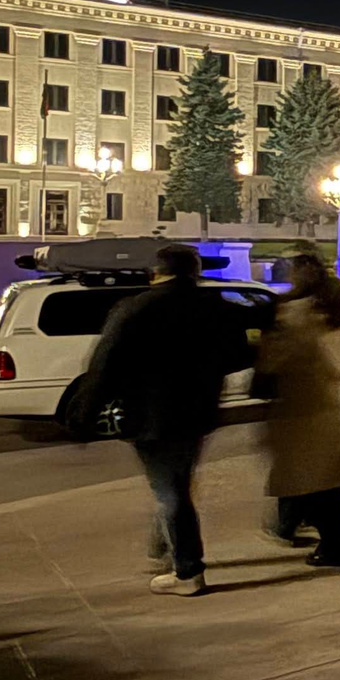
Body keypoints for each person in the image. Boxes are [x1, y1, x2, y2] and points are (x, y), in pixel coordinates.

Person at [84, 242, 254, 596]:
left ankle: (188, 571)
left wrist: (83, 412)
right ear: (195, 272)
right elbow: (239, 355)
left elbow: (105, 365)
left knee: (170, 491)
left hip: (150, 414)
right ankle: (163, 548)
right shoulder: (216, 307)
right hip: (199, 409)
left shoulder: (134, 309)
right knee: (175, 482)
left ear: (156, 272)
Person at [260, 250, 340, 567]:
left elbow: (278, 361)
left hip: (303, 407)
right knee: (321, 482)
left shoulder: (293, 315)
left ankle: (334, 545)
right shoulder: (331, 318)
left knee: (315, 483)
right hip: (325, 406)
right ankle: (325, 539)